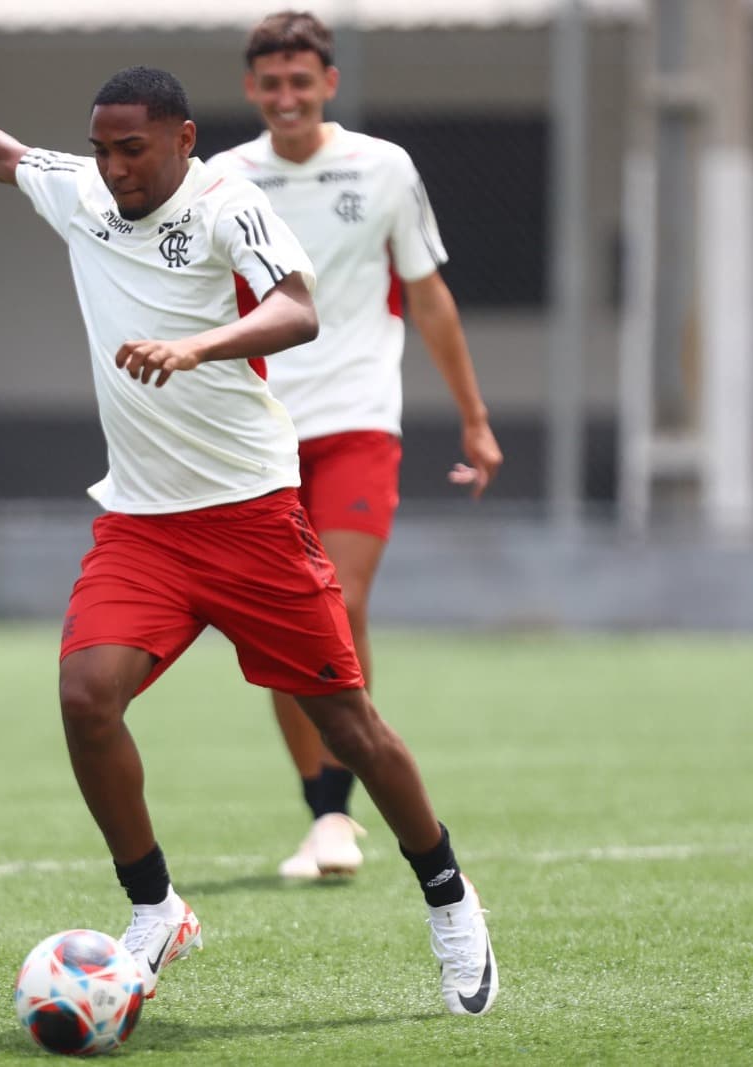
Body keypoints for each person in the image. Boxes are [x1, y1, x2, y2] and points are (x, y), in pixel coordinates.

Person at [0, 60, 497, 1014]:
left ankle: (450, 898)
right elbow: (4, 156)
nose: (115, 168)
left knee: (351, 724)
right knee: (87, 696)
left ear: (181, 140)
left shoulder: (229, 206)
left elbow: (299, 308)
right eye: (102, 150)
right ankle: (155, 904)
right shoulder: (85, 195)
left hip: (253, 514)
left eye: (133, 149)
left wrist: (198, 345)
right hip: (142, 524)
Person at [208, 10, 503, 882]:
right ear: (251, 89)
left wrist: (475, 417)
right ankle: (326, 812)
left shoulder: (384, 169)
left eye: (302, 81)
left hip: (358, 422)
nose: (287, 96)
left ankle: (348, 799)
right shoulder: (224, 179)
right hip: (259, 434)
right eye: (271, 83)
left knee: (339, 602)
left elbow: (431, 296)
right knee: (281, 625)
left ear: (329, 83)